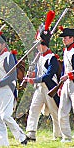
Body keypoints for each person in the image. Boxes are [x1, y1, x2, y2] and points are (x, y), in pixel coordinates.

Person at [23, 11, 62, 141]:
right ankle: (31, 133)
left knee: (55, 112)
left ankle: (58, 134)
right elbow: (38, 72)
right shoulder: (38, 57)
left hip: (50, 87)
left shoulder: (52, 58)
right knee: (33, 109)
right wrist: (31, 75)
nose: (37, 47)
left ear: (43, 44)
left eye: (38, 44)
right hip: (39, 88)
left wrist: (34, 79)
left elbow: (48, 75)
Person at [0, 33, 28, 146]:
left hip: (7, 89)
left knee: (5, 116)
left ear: (4, 45)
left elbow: (12, 75)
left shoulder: (9, 56)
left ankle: (21, 137)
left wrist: (0, 83)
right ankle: (3, 144)